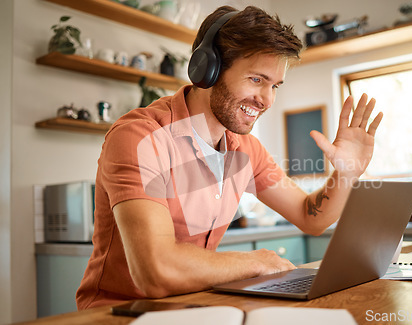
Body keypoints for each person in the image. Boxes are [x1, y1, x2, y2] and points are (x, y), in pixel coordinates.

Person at [76, 5, 382, 310]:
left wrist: (346, 173)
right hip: (118, 315)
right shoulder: (142, 136)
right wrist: (255, 262)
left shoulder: (245, 148)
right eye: (256, 80)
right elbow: (155, 271)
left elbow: (309, 217)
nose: (267, 100)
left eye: (274, 85)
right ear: (208, 68)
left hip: (195, 308)